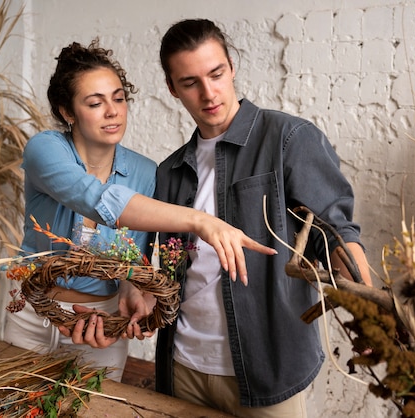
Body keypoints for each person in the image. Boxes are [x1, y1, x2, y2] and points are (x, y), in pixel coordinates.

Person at [68, 19, 373, 417]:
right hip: (182, 367)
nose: (208, 93)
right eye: (191, 82)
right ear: (172, 88)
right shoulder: (171, 171)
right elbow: (174, 269)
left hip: (268, 372)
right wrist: (143, 300)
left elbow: (336, 235)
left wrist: (370, 311)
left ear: (232, 68)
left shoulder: (288, 139)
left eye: (216, 74)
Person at [3, 38, 276, 383]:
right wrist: (201, 221)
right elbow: (96, 199)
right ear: (66, 111)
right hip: (30, 309)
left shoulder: (148, 173)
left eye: (118, 98)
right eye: (95, 103)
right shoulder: (45, 149)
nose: (113, 111)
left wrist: (132, 294)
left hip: (98, 319)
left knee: (93, 408)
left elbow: (135, 262)